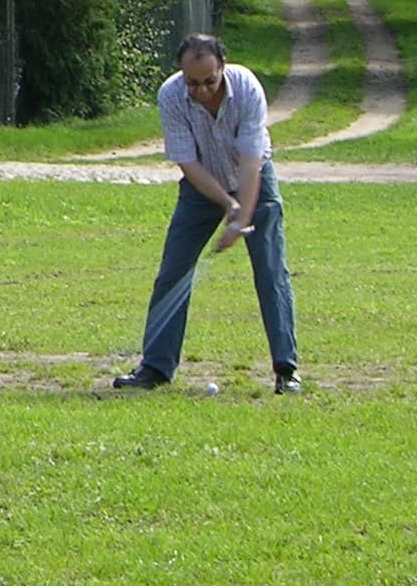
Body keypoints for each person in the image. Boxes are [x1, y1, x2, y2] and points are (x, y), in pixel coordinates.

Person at [112, 31, 300, 395]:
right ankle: (156, 367)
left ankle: (286, 369)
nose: (201, 91)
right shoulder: (170, 95)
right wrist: (227, 205)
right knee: (173, 271)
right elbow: (187, 162)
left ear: (223, 68)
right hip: (201, 185)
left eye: (209, 82)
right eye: (192, 83)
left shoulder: (247, 89)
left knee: (271, 270)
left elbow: (251, 163)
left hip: (254, 180)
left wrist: (242, 215)